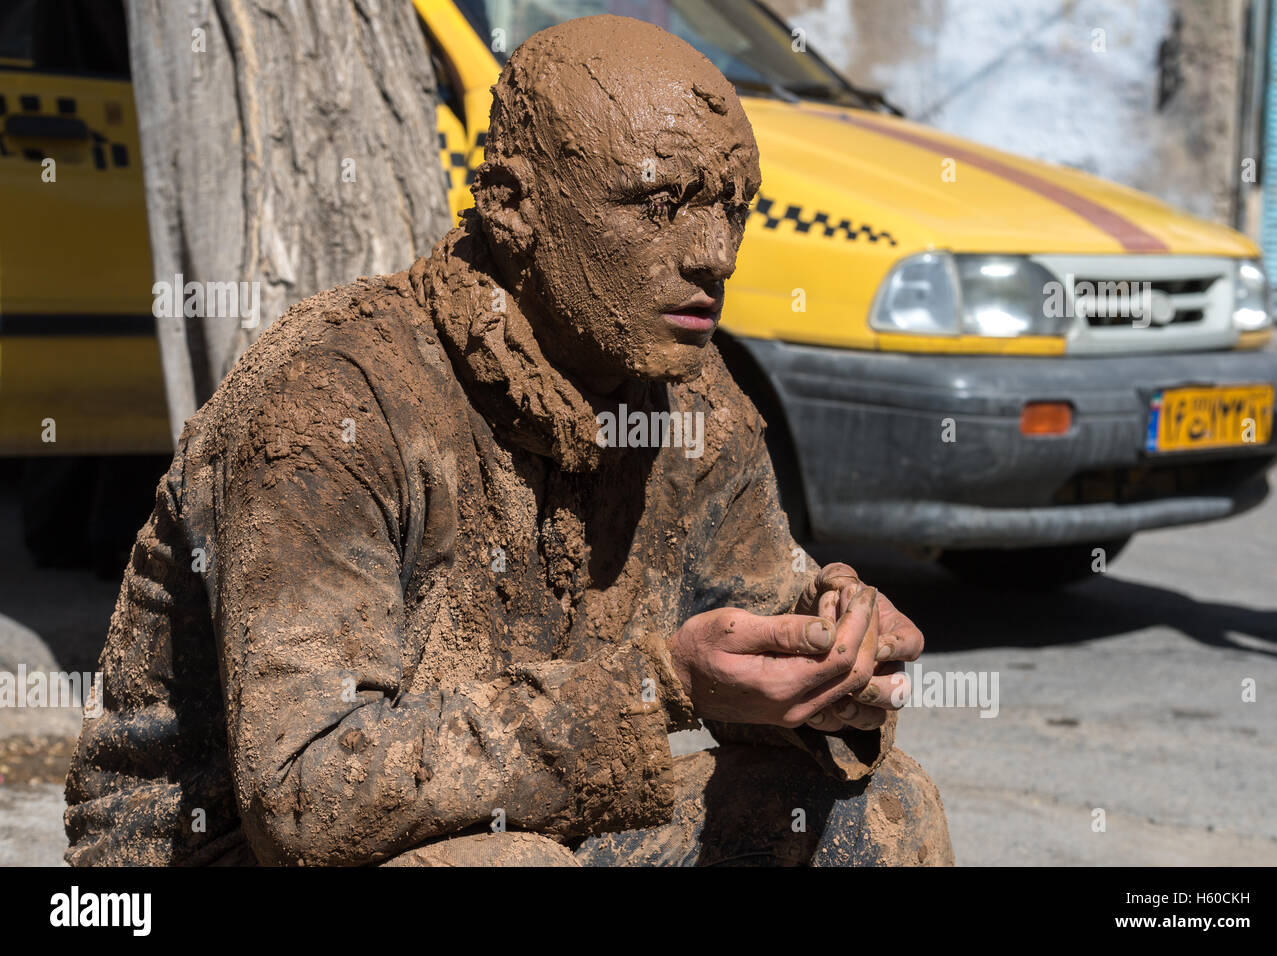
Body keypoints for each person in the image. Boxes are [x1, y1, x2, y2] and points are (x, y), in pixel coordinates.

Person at [65, 14, 952, 866]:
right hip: (218, 849)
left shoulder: (695, 403)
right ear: (512, 208)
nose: (714, 253)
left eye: (733, 208)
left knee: (876, 810)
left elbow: (761, 645)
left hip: (530, 828)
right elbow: (302, 798)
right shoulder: (329, 398)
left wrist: (835, 667)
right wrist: (664, 686)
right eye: (659, 204)